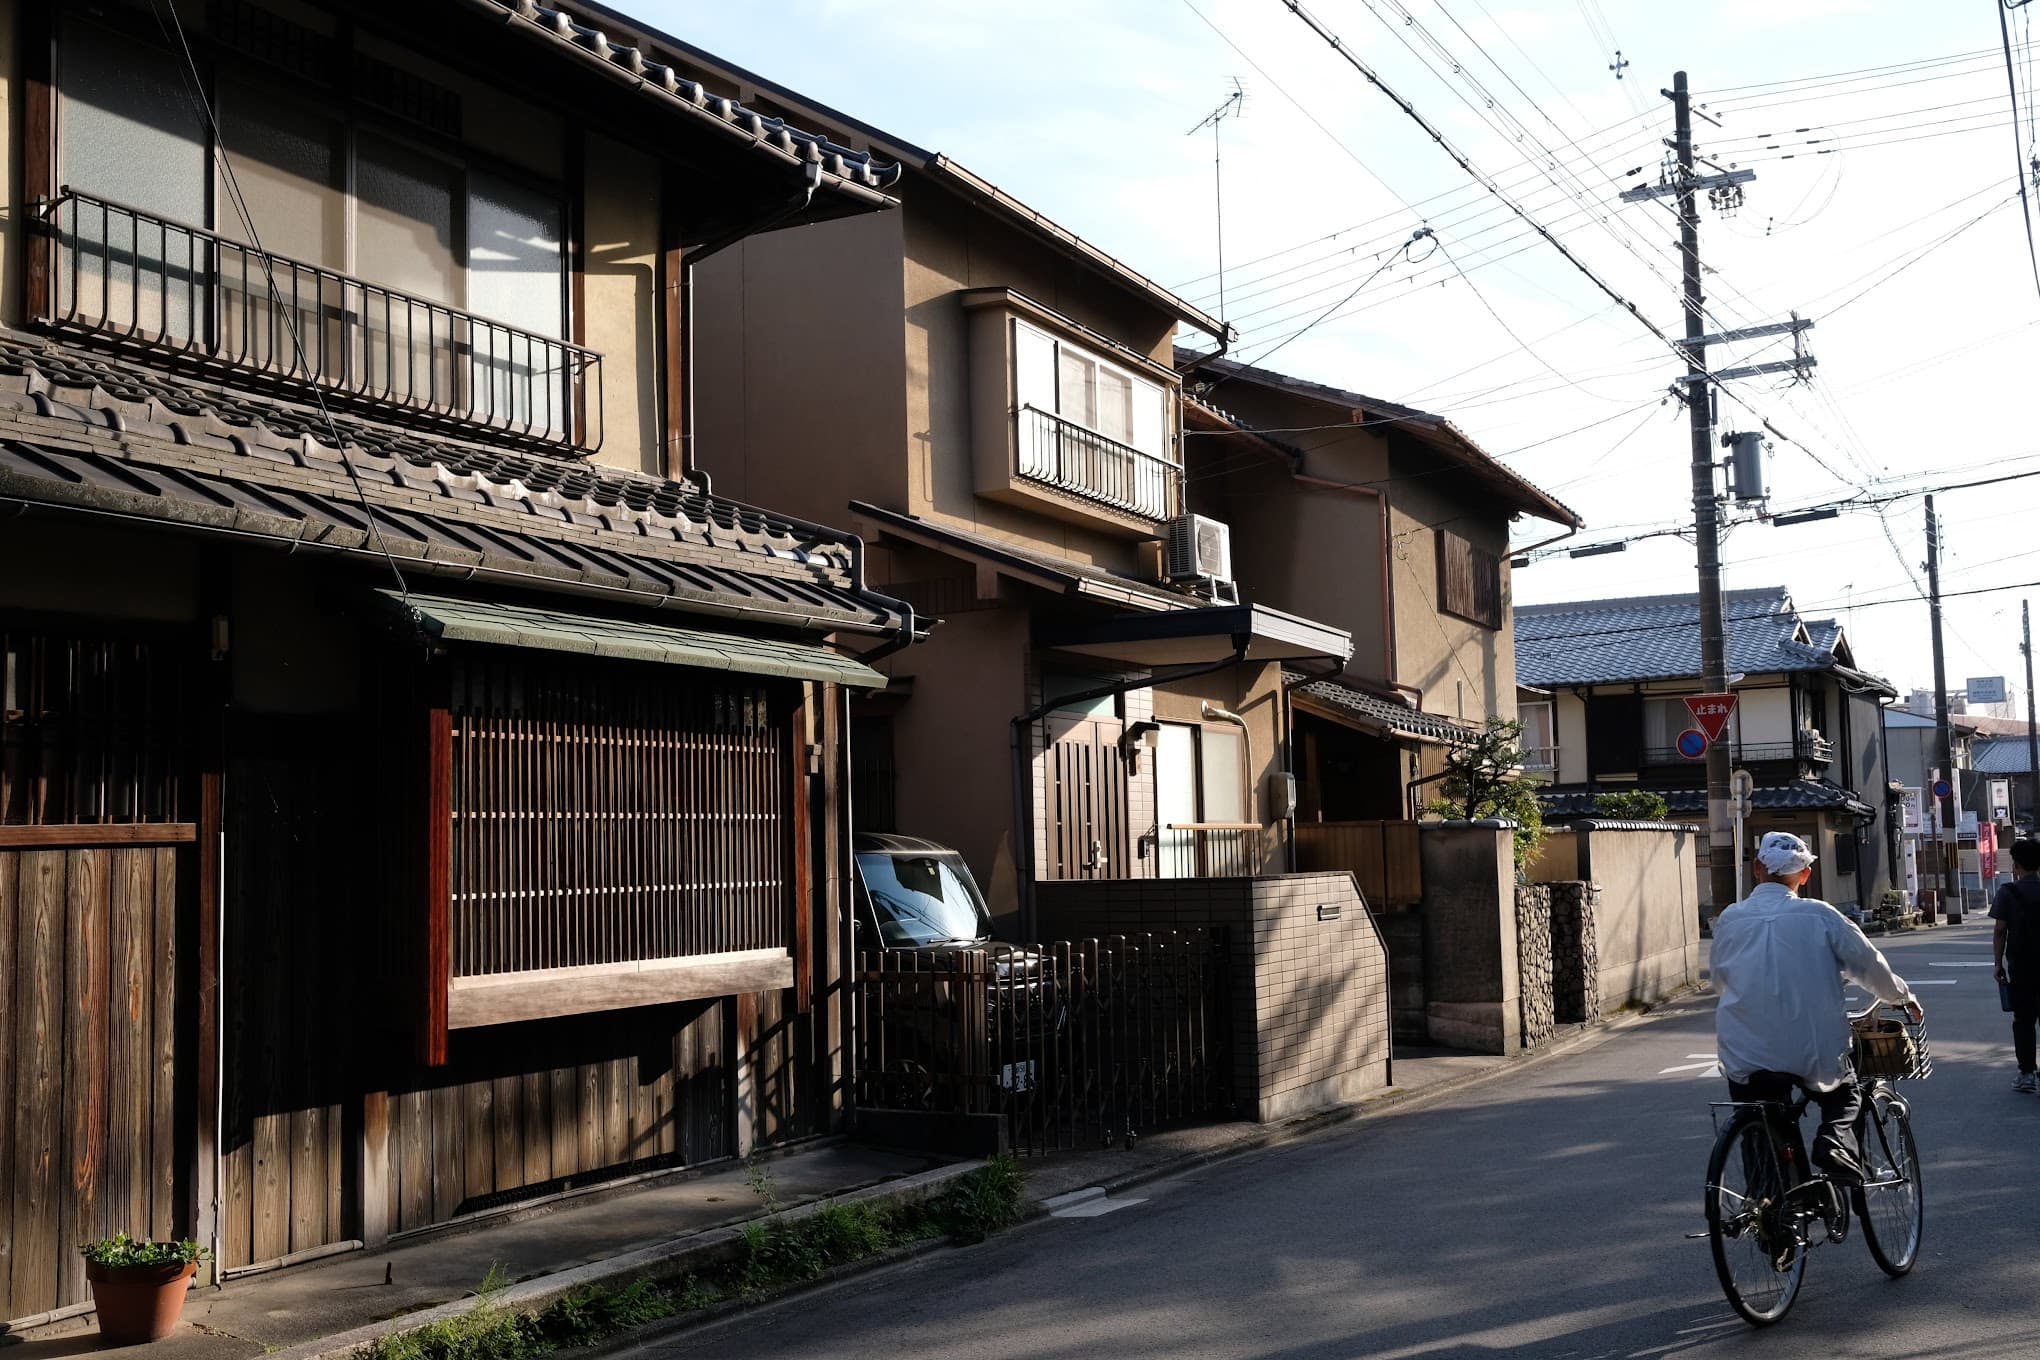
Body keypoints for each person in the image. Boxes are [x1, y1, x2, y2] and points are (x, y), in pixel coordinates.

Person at [1713, 831, 1923, 1188]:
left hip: (1744, 1048)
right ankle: (1835, 1143)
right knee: (1845, 1092)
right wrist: (1900, 995)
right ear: (1805, 874)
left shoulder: (1731, 919)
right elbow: (1868, 965)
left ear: (1757, 869)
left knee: (1757, 1119)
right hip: (1810, 1048)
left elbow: (1720, 980)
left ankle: (1767, 1210)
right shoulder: (1820, 915)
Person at [1990, 839, 2040, 1092]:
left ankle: (2028, 1074)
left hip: (2021, 966)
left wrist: (1998, 964)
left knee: (2024, 1021)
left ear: (2016, 864)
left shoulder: (2008, 892)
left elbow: (2000, 931)